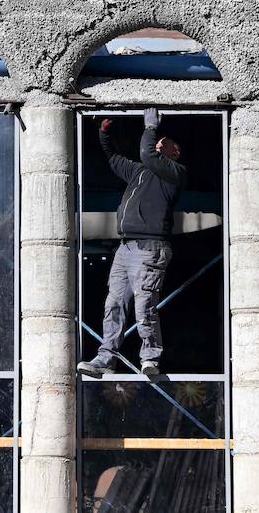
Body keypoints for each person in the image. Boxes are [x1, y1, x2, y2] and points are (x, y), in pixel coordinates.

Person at [78, 108, 186, 378]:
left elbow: (148, 152)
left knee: (144, 304)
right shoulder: (140, 171)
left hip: (150, 248)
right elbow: (113, 158)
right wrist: (103, 133)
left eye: (165, 143)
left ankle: (150, 358)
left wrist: (150, 128)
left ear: (175, 153)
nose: (159, 142)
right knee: (113, 303)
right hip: (126, 248)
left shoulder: (174, 172)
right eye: (157, 139)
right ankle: (106, 358)